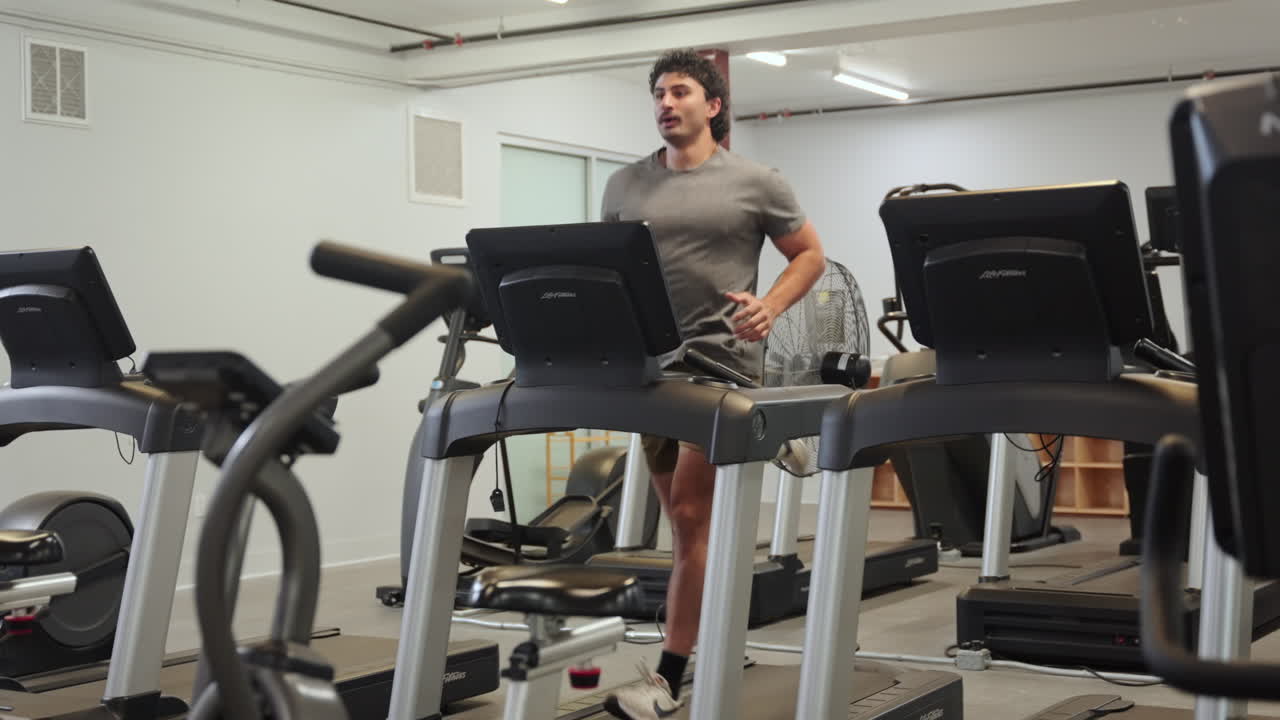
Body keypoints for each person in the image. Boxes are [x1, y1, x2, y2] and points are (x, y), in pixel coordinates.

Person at [599, 48, 826, 720]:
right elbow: (606, 267)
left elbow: (810, 253)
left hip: (720, 366)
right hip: (649, 372)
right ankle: (705, 634)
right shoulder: (624, 186)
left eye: (680, 92)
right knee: (683, 526)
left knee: (693, 519)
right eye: (659, 94)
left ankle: (669, 676)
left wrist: (772, 305)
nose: (667, 104)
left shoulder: (757, 182)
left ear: (713, 105)